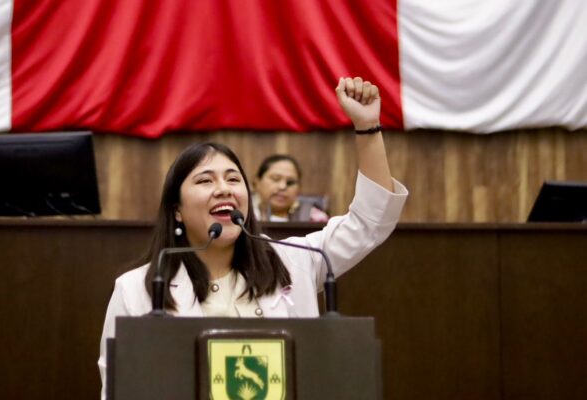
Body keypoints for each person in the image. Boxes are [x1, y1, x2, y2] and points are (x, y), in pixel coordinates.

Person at [98, 77, 408, 397]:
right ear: (176, 209)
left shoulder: (296, 260)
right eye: (205, 180)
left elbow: (370, 222)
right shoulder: (136, 288)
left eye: (233, 179)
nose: (224, 189)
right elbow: (118, 389)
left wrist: (368, 128)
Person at [252, 154, 330, 222]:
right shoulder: (243, 216)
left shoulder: (315, 218)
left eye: (290, 182)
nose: (283, 187)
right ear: (257, 182)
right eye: (275, 179)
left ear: (299, 188)